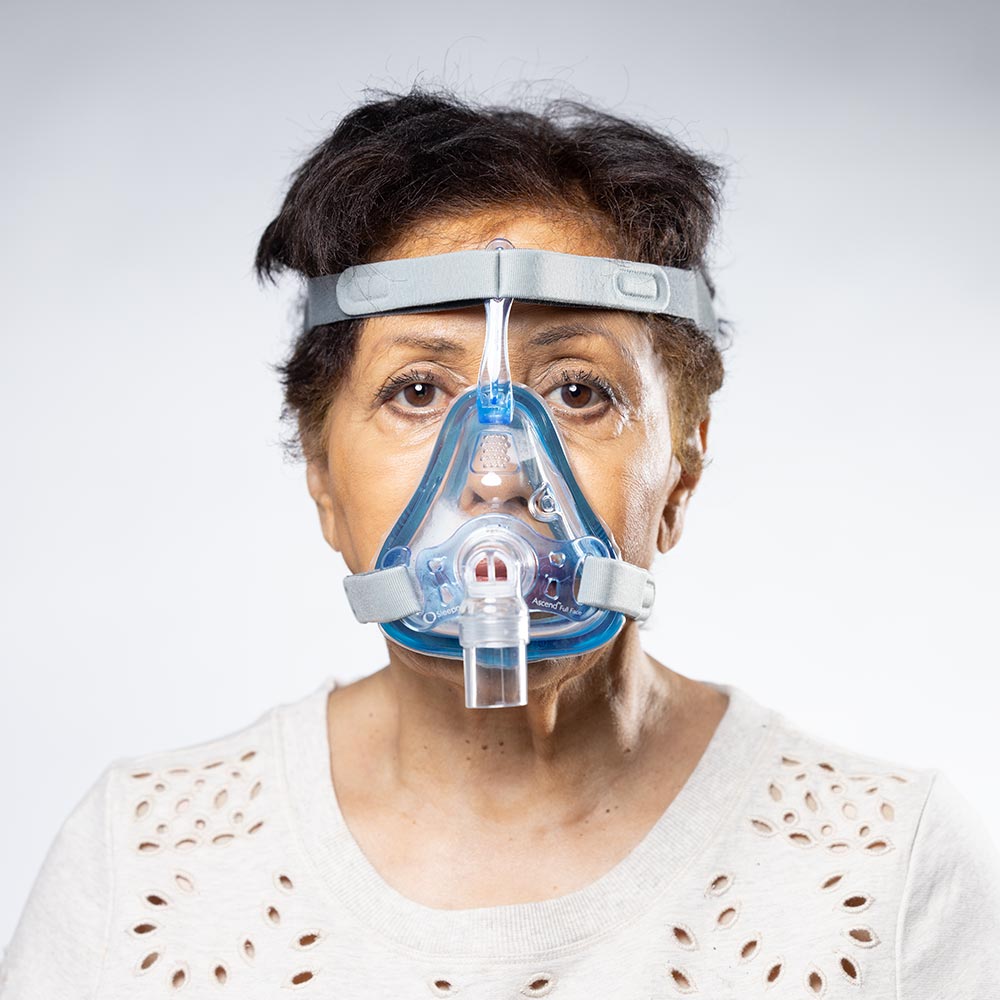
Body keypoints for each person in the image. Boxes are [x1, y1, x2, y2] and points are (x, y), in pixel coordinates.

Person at [2, 86, 998, 1000]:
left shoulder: (883, 869)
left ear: (681, 470)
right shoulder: (140, 864)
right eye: (417, 390)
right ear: (319, 471)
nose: (495, 469)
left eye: (577, 390)